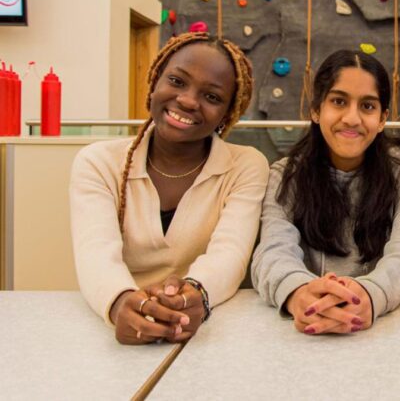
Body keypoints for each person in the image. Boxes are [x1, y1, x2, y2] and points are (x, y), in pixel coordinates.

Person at [69, 32, 269, 344]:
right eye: (177, 81)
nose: (188, 100)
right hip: (112, 328)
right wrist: (121, 302)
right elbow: (95, 254)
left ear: (227, 114)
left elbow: (230, 253)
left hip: (209, 330)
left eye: (212, 97)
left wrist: (194, 295)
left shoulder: (246, 166)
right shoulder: (98, 162)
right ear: (154, 82)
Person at [252, 50, 400, 335]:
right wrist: (300, 294)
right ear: (315, 110)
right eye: (338, 102)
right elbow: (273, 250)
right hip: (304, 335)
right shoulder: (285, 174)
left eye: (368, 106)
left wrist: (368, 295)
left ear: (383, 118)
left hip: (383, 331)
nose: (352, 118)